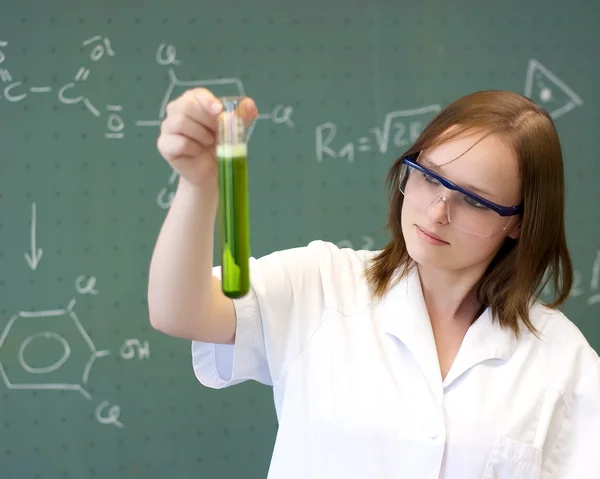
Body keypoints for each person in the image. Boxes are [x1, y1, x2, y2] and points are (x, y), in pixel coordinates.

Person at [147, 88, 600, 478]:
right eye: (429, 176)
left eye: (473, 201)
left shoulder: (563, 359)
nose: (437, 211)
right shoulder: (323, 282)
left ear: (518, 223)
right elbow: (178, 311)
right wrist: (199, 182)